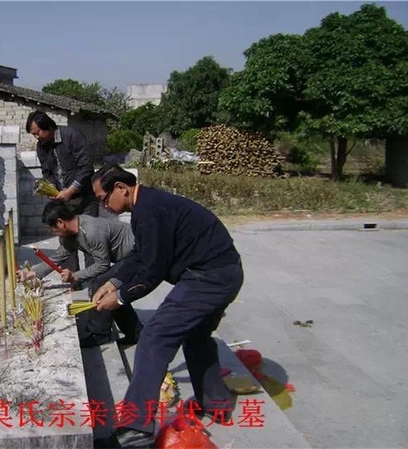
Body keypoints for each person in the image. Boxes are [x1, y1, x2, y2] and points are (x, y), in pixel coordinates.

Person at [91, 165, 244, 448]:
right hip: (222, 273)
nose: (104, 206)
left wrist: (122, 298)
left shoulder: (149, 210)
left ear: (121, 189)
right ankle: (216, 403)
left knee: (155, 336)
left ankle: (136, 428)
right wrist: (114, 281)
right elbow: (140, 254)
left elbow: (152, 271)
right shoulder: (146, 205)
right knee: (196, 338)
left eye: (103, 199)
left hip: (210, 278)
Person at [18, 201, 143, 348]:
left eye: (52, 228)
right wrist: (32, 273)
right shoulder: (74, 232)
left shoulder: (91, 231)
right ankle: (136, 333)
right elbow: (58, 256)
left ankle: (99, 334)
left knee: (101, 284)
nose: (52, 233)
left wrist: (75, 276)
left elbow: (102, 265)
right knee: (111, 292)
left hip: (138, 253)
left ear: (60, 222)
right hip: (128, 255)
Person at [26, 110, 98, 217]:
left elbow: (86, 168)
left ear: (48, 126)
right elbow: (47, 172)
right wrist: (51, 189)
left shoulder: (72, 136)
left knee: (89, 232)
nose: (37, 137)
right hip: (63, 204)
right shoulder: (41, 147)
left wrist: (70, 191)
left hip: (84, 201)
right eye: (34, 135)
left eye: (38, 132)